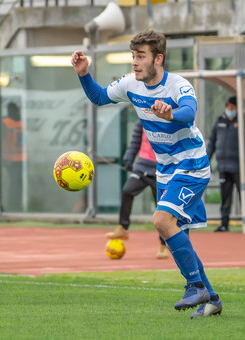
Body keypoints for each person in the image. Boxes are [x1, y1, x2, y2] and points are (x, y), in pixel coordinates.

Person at [71, 30, 222, 318]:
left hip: (191, 164)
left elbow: (189, 112)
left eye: (141, 57)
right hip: (165, 170)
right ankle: (211, 299)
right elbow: (100, 97)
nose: (135, 63)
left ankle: (195, 287)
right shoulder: (131, 84)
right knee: (180, 236)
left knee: (160, 220)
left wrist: (170, 114)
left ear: (158, 58)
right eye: (133, 56)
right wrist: (84, 74)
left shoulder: (178, 85)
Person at [105, 119, 170, 259]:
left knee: (162, 211)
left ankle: (164, 245)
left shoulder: (168, 118)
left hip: (160, 170)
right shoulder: (142, 118)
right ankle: (123, 228)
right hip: (141, 166)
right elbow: (135, 141)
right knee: (127, 190)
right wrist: (129, 158)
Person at [207, 96, 245, 232]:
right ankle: (224, 224)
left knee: (244, 195)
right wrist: (207, 160)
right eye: (228, 107)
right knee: (225, 196)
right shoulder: (220, 121)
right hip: (224, 166)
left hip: (240, 166)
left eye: (233, 107)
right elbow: (212, 142)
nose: (230, 110)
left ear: (237, 108)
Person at [1, 102, 26, 212]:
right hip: (9, 159)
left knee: (18, 184)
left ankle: (17, 206)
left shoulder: (20, 123)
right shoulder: (5, 123)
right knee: (13, 184)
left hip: (21, 159)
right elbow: (0, 141)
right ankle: (12, 207)